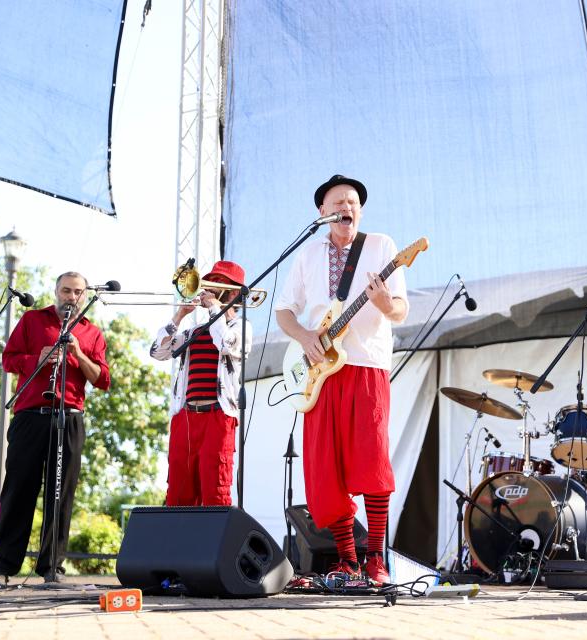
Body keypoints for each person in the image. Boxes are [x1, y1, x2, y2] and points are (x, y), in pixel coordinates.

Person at [276, 175, 408, 585]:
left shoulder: (381, 246)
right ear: (323, 212)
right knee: (323, 469)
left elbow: (400, 310)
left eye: (353, 201)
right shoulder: (307, 256)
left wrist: (385, 302)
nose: (347, 206)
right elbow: (284, 312)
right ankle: (347, 561)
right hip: (319, 373)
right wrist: (306, 337)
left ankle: (376, 560)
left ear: (360, 211)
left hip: (367, 366)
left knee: (372, 462)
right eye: (339, 202)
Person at [0, 272, 110, 583]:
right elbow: (8, 359)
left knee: (61, 493)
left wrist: (78, 354)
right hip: (30, 415)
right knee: (18, 489)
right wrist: (37, 359)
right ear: (56, 291)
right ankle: (3, 566)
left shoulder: (92, 333)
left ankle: (51, 567)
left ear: (85, 296)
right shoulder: (33, 320)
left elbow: (102, 379)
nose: (72, 297)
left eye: (78, 292)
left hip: (69, 416)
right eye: (66, 291)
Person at [149, 261, 251, 506]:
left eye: (219, 283)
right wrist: (180, 315)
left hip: (218, 417)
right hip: (185, 417)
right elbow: (158, 352)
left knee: (215, 492)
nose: (210, 289)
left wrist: (216, 309)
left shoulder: (241, 327)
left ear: (234, 293)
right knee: (178, 495)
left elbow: (225, 342)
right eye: (210, 282)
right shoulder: (193, 332)